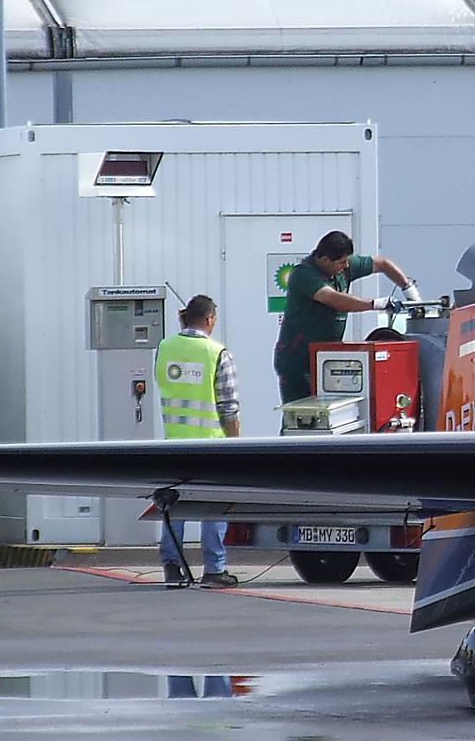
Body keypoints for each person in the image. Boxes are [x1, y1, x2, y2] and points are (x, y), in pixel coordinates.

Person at [273, 231, 417, 404]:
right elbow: (333, 299)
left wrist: (409, 290)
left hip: (326, 359)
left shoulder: (344, 266)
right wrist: (376, 304)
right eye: (341, 262)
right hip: (298, 362)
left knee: (333, 416)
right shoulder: (304, 274)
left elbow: (383, 264)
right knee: (302, 416)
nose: (346, 266)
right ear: (325, 260)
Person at [156, 295, 241, 588]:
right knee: (213, 509)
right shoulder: (218, 353)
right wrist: (236, 447)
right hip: (211, 444)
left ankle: (171, 566)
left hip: (173, 443)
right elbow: (229, 408)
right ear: (209, 319)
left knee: (173, 508)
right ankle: (214, 570)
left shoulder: (164, 348)